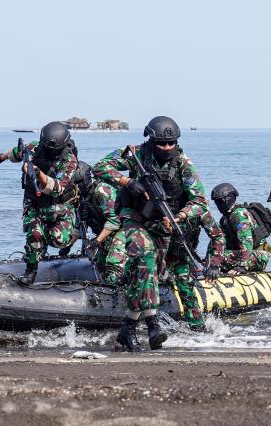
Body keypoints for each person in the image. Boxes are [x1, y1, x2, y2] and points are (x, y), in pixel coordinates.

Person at [92, 116, 207, 351]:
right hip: (135, 220)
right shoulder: (135, 154)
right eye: (162, 144)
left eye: (171, 143)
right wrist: (127, 181)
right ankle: (153, 325)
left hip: (164, 223)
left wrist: (180, 217)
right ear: (151, 140)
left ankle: (128, 329)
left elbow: (199, 201)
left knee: (146, 276)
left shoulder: (183, 163)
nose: (167, 148)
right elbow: (100, 167)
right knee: (145, 260)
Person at [0, 121, 78, 285]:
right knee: (35, 235)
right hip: (35, 204)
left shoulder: (69, 161)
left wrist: (37, 173)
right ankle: (31, 270)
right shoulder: (35, 148)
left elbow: (56, 188)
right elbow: (17, 152)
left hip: (60, 208)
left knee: (58, 239)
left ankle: (73, 234)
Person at [59, 161, 128, 287]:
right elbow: (78, 225)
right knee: (99, 265)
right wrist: (68, 245)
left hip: (123, 231)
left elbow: (115, 220)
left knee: (113, 264)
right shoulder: (81, 200)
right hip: (106, 235)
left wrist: (97, 241)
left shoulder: (102, 191)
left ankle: (122, 288)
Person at [163, 206, 225, 331]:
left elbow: (218, 236)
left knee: (186, 290)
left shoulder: (198, 210)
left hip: (182, 257)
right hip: (158, 256)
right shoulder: (157, 206)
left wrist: (214, 264)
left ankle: (197, 328)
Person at [210, 183, 270, 274]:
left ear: (228, 199)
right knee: (214, 255)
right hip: (248, 253)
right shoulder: (225, 218)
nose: (218, 205)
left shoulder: (239, 215)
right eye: (216, 202)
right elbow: (219, 240)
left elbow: (246, 241)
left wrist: (242, 265)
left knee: (219, 257)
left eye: (220, 202)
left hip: (260, 255)